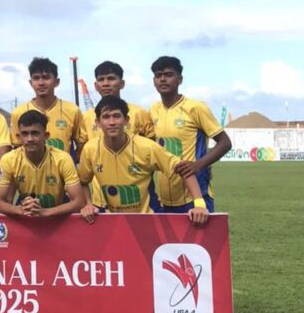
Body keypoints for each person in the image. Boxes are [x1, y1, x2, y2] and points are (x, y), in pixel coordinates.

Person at [78, 96, 208, 226]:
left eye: (116, 116)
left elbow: (184, 169)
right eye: (106, 117)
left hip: (149, 220)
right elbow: (83, 181)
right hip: (115, 220)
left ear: (126, 120)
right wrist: (88, 204)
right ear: (97, 123)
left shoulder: (146, 147)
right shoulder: (90, 149)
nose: (112, 122)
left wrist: (199, 204)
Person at [149, 56, 232, 213]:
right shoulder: (153, 110)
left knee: (198, 239)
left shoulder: (196, 108)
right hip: (165, 197)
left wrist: (199, 164)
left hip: (196, 195)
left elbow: (225, 143)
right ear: (154, 81)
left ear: (180, 79)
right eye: (158, 75)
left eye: (168, 74)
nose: (163, 79)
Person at [81, 60, 155, 210]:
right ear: (95, 86)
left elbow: (151, 150)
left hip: (135, 197)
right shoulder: (87, 117)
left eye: (111, 78)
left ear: (122, 83)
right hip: (99, 198)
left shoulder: (139, 113)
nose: (106, 83)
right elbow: (83, 153)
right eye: (101, 80)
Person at [0, 110, 84, 218]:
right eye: (25, 134)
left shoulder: (63, 159)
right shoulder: (8, 159)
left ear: (46, 136)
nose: (30, 139)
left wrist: (45, 212)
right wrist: (21, 210)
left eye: (35, 133)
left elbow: (79, 202)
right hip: (26, 217)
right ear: (19, 137)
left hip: (57, 218)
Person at [9, 57, 87, 157]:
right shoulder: (18, 113)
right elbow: (17, 146)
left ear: (57, 81)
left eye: (46, 78)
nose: (41, 83)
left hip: (62, 171)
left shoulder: (72, 110)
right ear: (31, 83)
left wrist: (69, 164)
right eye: (36, 78)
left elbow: (81, 144)